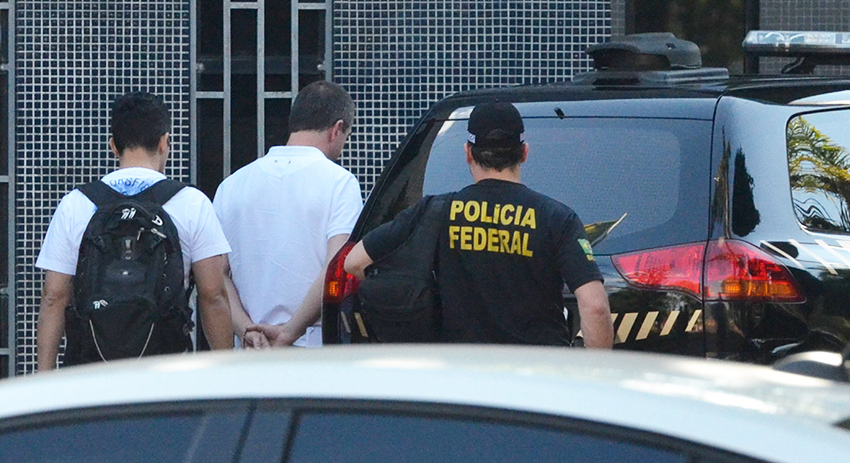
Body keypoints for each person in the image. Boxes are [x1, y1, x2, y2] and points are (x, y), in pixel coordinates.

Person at [345, 101, 613, 348]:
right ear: (524, 152)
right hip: (536, 373)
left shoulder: (434, 211)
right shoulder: (557, 218)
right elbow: (595, 307)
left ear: (468, 153)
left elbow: (354, 262)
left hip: (464, 372)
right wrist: (596, 372)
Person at [35, 92, 234, 371]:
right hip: (166, 372)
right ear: (164, 142)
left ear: (113, 146)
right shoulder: (191, 203)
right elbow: (213, 295)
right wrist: (226, 373)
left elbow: (54, 297)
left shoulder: (76, 204)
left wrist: (44, 377)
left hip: (88, 373)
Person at [213, 80, 362, 348]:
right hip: (314, 346)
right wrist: (289, 333)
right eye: (346, 136)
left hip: (250, 351)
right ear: (337, 129)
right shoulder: (340, 183)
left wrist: (247, 331)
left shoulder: (231, 185)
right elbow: (337, 265)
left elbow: (217, 275)